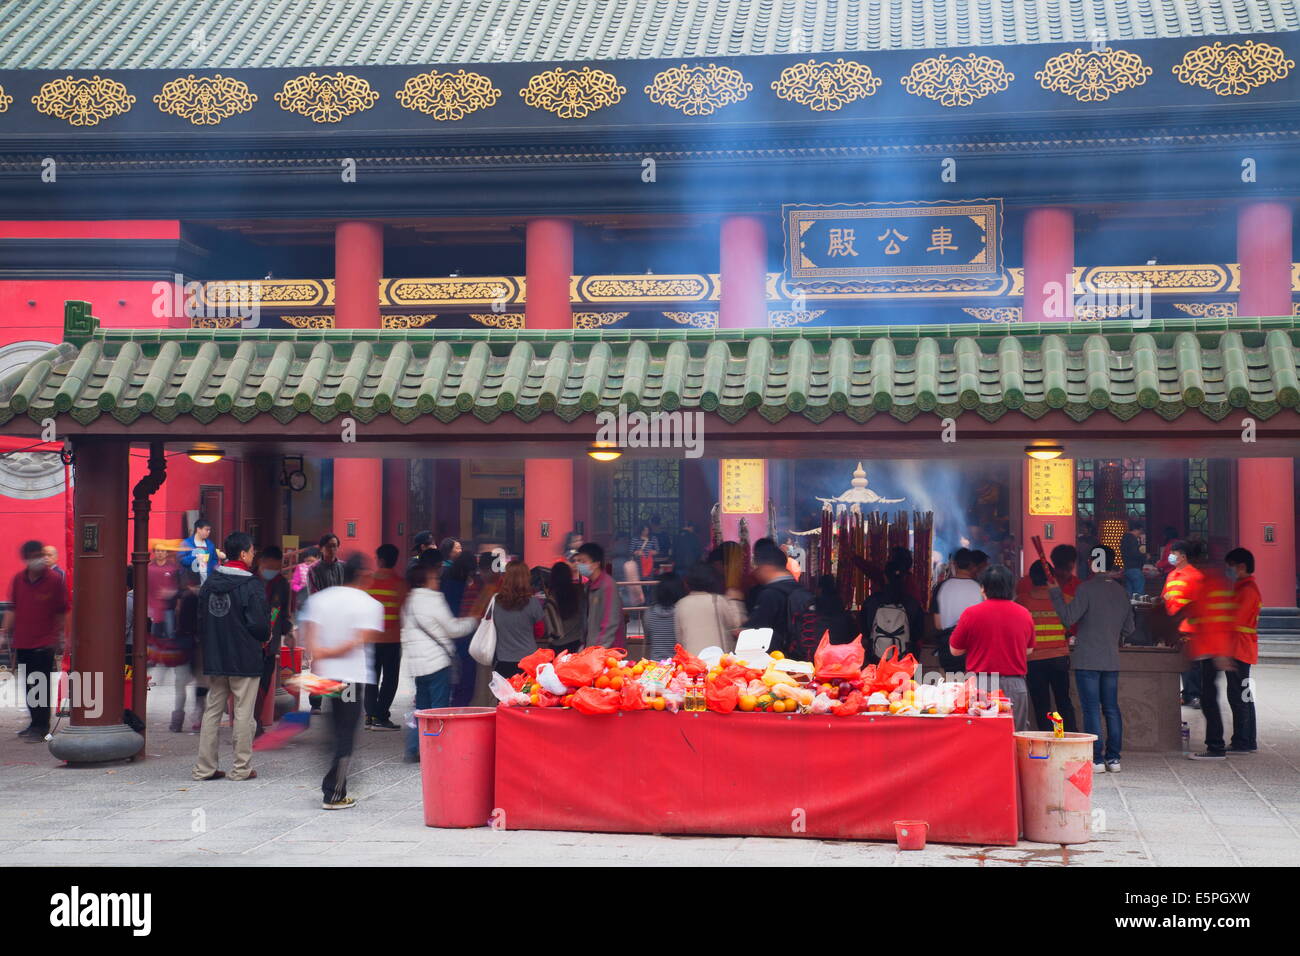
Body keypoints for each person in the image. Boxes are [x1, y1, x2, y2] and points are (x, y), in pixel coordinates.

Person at [299, 552, 383, 809]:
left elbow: (309, 634)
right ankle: (334, 792)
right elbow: (360, 640)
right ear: (363, 575)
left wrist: (320, 654)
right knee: (346, 732)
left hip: (326, 676)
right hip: (351, 678)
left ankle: (334, 774)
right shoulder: (368, 604)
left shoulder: (321, 600)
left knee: (335, 727)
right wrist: (333, 651)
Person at [192, 532, 270, 782]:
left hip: (216, 657)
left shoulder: (210, 583)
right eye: (252, 551)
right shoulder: (251, 585)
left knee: (212, 712)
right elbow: (259, 626)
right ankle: (241, 768)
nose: (253, 555)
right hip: (244, 657)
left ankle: (204, 768)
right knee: (243, 713)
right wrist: (266, 635)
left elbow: (200, 620)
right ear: (244, 554)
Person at [1048, 547, 1134, 772]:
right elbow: (1130, 627)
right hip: (1111, 660)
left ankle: (1096, 759)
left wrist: (1056, 594)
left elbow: (1067, 618)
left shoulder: (1086, 589)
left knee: (1091, 710)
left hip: (1087, 659)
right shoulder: (1121, 591)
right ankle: (1114, 759)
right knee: (1112, 709)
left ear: (1091, 562)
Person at [401, 552, 479, 761]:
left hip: (417, 665)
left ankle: (413, 747)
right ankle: (438, 747)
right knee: (439, 709)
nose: (438, 581)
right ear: (426, 580)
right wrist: (473, 622)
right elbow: (452, 628)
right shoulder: (434, 600)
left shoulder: (408, 602)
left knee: (421, 709)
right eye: (435, 578)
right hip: (436, 663)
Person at [1163, 539, 1236, 759]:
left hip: (1210, 648)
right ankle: (1215, 745)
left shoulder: (1206, 581)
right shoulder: (1210, 580)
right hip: (1206, 646)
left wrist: (1221, 652)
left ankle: (1215, 747)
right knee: (1208, 697)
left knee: (1209, 698)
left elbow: (1216, 620)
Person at [948, 565, 1036, 731]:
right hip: (1015, 684)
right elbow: (1029, 650)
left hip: (981, 684)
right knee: (1015, 736)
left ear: (983, 588)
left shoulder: (971, 614)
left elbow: (955, 650)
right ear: (1011, 588)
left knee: (980, 737)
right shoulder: (1024, 613)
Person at [2, 540, 67, 740]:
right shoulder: (18, 579)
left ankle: (41, 726)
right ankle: (34, 723)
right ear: (26, 559)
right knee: (28, 685)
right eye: (35, 556)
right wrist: (5, 632)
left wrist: (62, 637)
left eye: (41, 554)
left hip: (45, 641)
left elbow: (62, 611)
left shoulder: (55, 580)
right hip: (23, 641)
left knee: (41, 684)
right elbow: (13, 608)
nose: (40, 559)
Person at [1019, 560, 1076, 734]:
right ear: (1051, 577)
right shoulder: (1065, 600)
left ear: (1031, 578)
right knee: (1063, 701)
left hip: (1034, 660)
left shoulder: (1022, 601)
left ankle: (1046, 740)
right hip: (1059, 657)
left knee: (1041, 704)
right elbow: (1071, 626)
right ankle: (1069, 736)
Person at [363, 543, 407, 731]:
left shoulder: (367, 582)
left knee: (371, 678)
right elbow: (404, 612)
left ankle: (370, 716)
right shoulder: (400, 584)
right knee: (390, 680)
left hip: (370, 639)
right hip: (391, 640)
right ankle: (381, 715)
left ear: (380, 559)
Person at [1220, 547, 1260, 755]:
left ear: (1241, 566)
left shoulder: (1246, 590)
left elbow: (1235, 621)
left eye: (1231, 567)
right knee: (1242, 694)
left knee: (1239, 696)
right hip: (1241, 647)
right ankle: (1246, 738)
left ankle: (1243, 739)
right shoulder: (1243, 587)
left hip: (1239, 648)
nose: (1229, 571)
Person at [745, 538, 813, 656]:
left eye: (757, 568)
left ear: (766, 567)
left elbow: (754, 629)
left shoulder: (770, 594)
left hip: (777, 658)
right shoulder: (801, 589)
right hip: (802, 656)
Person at [254, 545, 292, 736]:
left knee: (263, 685)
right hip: (250, 643)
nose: (273, 571)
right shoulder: (250, 581)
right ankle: (250, 723)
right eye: (271, 566)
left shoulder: (282, 584)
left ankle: (257, 722)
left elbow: (283, 614)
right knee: (248, 686)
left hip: (270, 645)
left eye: (277, 567)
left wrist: (289, 633)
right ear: (261, 562)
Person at [859, 559, 924, 662]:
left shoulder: (872, 601)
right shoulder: (912, 603)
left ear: (884, 577)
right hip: (905, 659)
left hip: (876, 658)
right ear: (904, 577)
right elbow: (918, 634)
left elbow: (864, 630)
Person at [675, 562, 744, 655]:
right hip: (719, 658)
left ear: (687, 582)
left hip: (693, 660)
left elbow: (679, 637)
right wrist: (734, 600)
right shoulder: (718, 600)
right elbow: (735, 622)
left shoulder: (681, 604)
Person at [490, 560, 544, 677]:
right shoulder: (533, 602)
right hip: (528, 661)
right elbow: (540, 631)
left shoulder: (495, 602)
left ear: (506, 578)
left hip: (503, 659)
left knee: (505, 694)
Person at [933, 548, 983, 670]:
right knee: (973, 687)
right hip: (973, 648)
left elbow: (938, 624)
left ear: (954, 564)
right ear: (973, 566)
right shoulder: (980, 588)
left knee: (952, 686)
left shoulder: (941, 587)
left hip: (948, 648)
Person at [443, 550, 482, 707]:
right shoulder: (468, 585)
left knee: (455, 668)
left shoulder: (447, 580)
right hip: (465, 630)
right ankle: (462, 701)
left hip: (450, 628)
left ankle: (455, 698)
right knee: (467, 669)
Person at [173, 569, 206, 732]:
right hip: (200, 646)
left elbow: (178, 623)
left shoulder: (183, 597)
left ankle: (177, 721)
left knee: (180, 685)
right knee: (201, 685)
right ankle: (198, 719)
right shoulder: (206, 598)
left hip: (183, 645)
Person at [576, 542, 625, 648]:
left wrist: (598, 649)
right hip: (593, 648)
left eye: (583, 561)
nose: (579, 565)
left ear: (596, 563)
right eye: (578, 561)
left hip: (607, 651)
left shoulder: (607, 585)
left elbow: (609, 622)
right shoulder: (589, 586)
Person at [542, 560, 586, 654]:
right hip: (577, 643)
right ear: (569, 575)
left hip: (557, 646)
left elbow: (549, 628)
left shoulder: (552, 598)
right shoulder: (579, 592)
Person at [643, 572, 684, 660]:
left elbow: (648, 638)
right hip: (677, 665)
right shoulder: (681, 612)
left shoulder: (649, 613)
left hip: (655, 665)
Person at [1120, 519, 1148, 597]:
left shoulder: (1124, 538)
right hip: (1135, 569)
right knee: (1139, 595)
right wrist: (1144, 556)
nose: (1140, 534)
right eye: (1140, 531)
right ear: (1136, 529)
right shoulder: (1132, 539)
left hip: (1127, 568)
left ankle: (1130, 609)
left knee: (1130, 594)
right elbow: (1134, 554)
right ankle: (1138, 609)